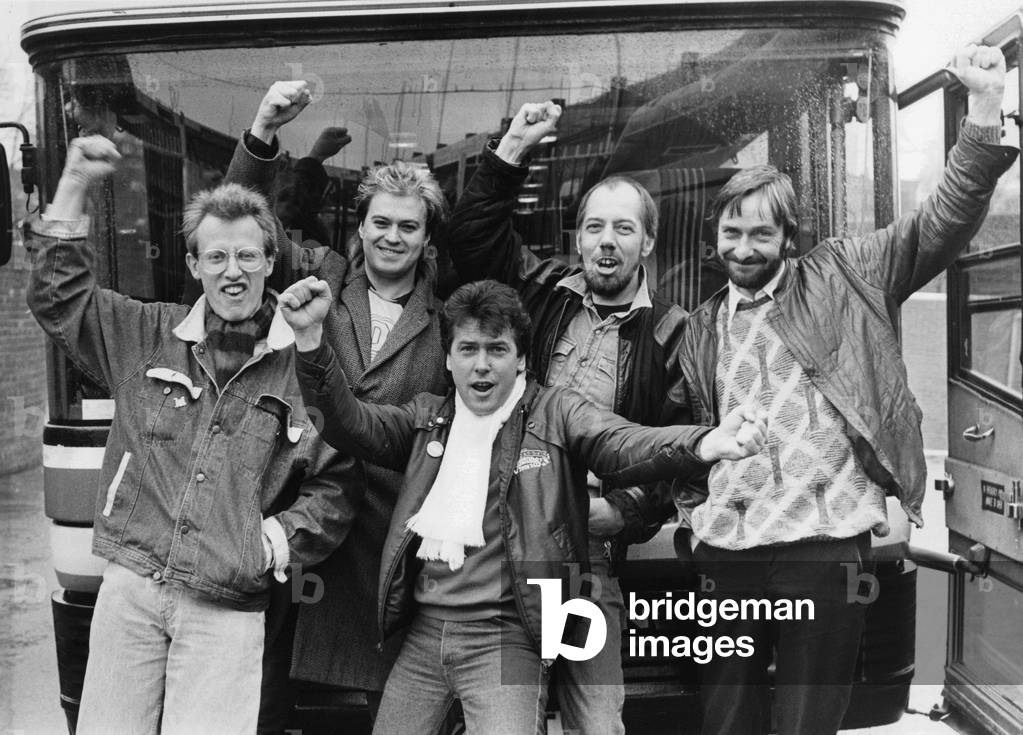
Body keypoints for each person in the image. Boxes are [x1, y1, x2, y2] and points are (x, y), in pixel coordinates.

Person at [666, 44, 1017, 735]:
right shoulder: (698, 328)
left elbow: (940, 222)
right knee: (725, 717)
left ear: (788, 237)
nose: (743, 247)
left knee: (809, 720)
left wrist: (981, 107)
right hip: (726, 550)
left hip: (822, 549)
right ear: (714, 237)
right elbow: (675, 438)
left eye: (760, 233)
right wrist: (679, 513)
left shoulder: (844, 275)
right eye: (731, 232)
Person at [277, 276, 768, 735]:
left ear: (521, 360)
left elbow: (623, 442)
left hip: (507, 639)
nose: (482, 364)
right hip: (424, 638)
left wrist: (705, 443)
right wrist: (310, 340)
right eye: (467, 349)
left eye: (497, 349)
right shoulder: (428, 417)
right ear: (448, 359)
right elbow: (348, 423)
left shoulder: (556, 411)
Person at [25, 136, 364, 735]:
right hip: (131, 587)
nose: (232, 272)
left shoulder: (303, 368)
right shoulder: (146, 335)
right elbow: (59, 299)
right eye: (216, 257)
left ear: (271, 261)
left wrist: (270, 544)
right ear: (194, 265)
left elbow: (337, 486)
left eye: (248, 256)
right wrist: (73, 183)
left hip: (226, 603)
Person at [447, 100, 691, 733]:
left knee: (597, 720)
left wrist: (627, 511)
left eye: (623, 229)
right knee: (505, 716)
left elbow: (676, 449)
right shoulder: (541, 291)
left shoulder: (672, 333)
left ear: (647, 243)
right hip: (504, 542)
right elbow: (471, 238)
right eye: (594, 227)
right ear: (577, 238)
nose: (607, 241)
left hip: (587, 556)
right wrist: (512, 148)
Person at [225, 80, 451, 729]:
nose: (391, 236)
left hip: (387, 547)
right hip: (299, 527)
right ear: (361, 225)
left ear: (426, 237)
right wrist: (263, 131)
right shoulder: (320, 274)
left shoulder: (446, 323)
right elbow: (245, 221)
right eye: (380, 222)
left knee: (389, 715)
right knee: (267, 704)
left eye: (408, 226)